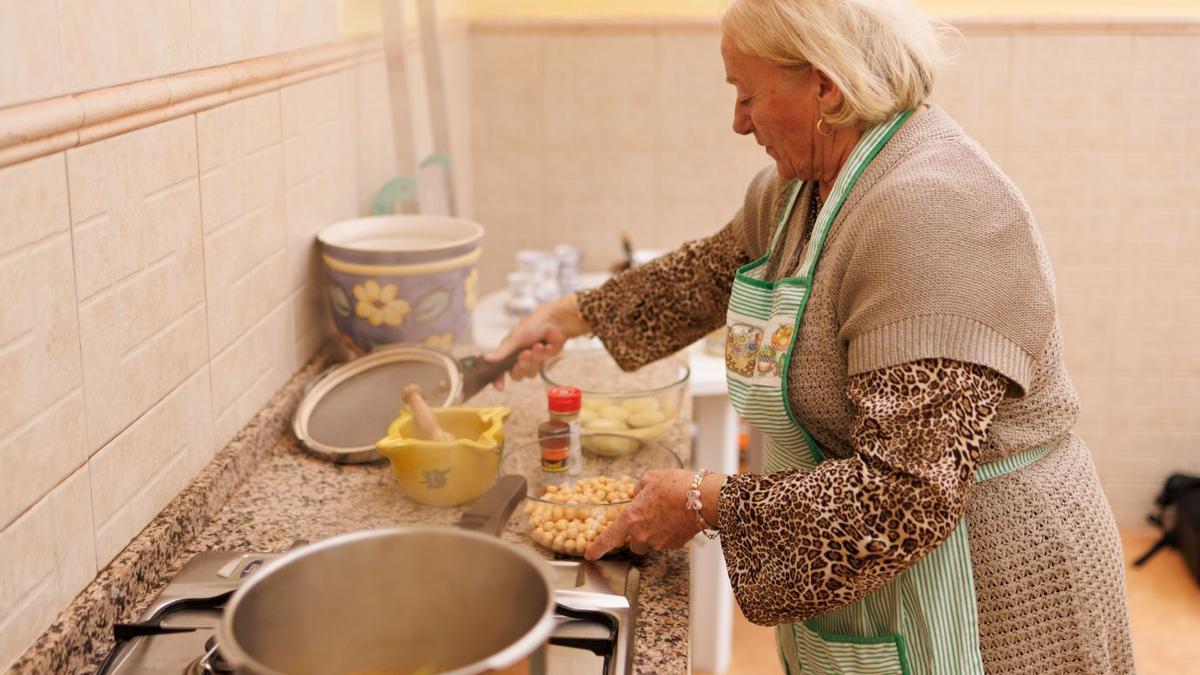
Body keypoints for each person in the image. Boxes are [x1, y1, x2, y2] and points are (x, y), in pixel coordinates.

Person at [487, 0, 1135, 672]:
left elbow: (905, 494)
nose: (737, 122)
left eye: (747, 96)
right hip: (883, 572)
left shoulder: (934, 212)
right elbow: (708, 273)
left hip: (997, 593)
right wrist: (566, 316)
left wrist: (703, 498)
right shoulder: (800, 190)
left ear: (826, 85)